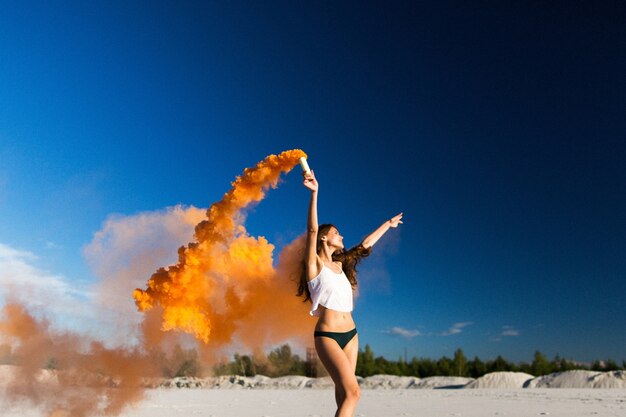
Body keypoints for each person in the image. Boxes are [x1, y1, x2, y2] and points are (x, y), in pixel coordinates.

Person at [298, 169, 402, 417]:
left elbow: (364, 246)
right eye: (336, 232)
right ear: (325, 239)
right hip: (328, 335)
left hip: (352, 335)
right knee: (354, 393)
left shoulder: (341, 264)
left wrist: (387, 224)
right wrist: (315, 193)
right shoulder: (314, 265)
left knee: (344, 394)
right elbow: (312, 230)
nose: (341, 235)